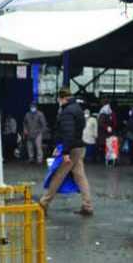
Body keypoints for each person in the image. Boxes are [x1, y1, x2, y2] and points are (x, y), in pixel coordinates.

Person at [39, 88, 93, 216]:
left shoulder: (67, 112)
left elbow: (68, 133)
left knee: (58, 175)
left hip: (71, 148)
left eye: (59, 99)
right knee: (80, 177)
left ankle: (43, 203)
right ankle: (87, 206)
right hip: (79, 147)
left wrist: (65, 152)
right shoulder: (77, 108)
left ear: (63, 98)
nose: (58, 101)